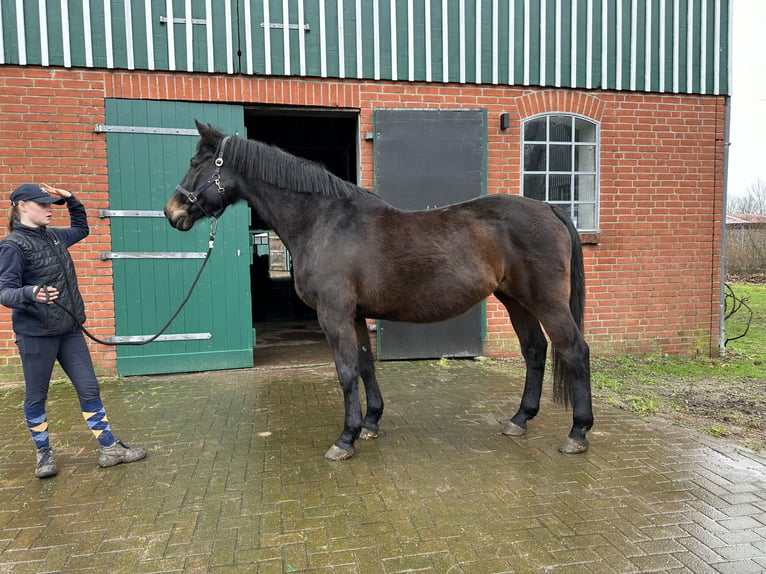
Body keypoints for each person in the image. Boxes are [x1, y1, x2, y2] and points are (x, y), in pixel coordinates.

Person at [0, 183, 146, 478]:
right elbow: (5, 292)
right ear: (23, 206)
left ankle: (110, 449)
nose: (49, 208)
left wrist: (72, 200)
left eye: (50, 203)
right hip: (36, 335)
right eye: (43, 204)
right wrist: (30, 293)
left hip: (69, 329)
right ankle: (43, 455)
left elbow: (81, 229)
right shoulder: (13, 246)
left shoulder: (54, 237)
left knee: (89, 388)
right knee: (36, 397)